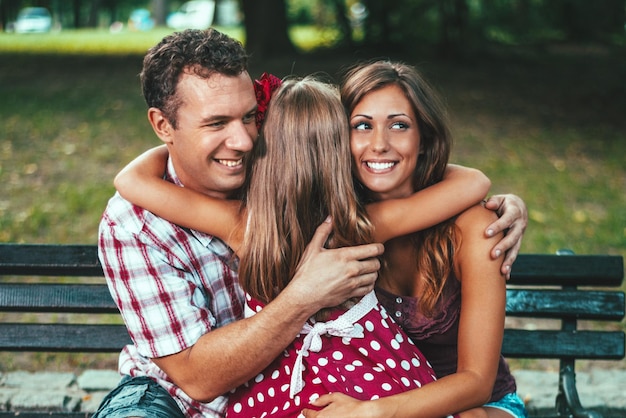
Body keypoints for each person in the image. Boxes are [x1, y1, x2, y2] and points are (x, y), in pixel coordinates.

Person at [113, 75, 493, 417]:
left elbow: (131, 181)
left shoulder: (243, 225)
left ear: (264, 155)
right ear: (342, 154)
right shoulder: (363, 226)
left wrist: (174, 138)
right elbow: (473, 183)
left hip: (283, 391)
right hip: (371, 379)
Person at [94, 29, 386, 418]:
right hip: (179, 400)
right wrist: (305, 294)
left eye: (249, 117)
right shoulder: (133, 225)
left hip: (297, 386)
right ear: (163, 126)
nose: (244, 141)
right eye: (216, 123)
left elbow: (391, 168)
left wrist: (491, 203)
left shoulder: (284, 169)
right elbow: (197, 380)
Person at [300, 61, 529, 417]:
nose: (379, 144)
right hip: (374, 396)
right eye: (362, 126)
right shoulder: (337, 230)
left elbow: (477, 381)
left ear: (423, 140)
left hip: (479, 406)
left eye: (399, 126)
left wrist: (372, 413)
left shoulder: (475, 228)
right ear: (338, 140)